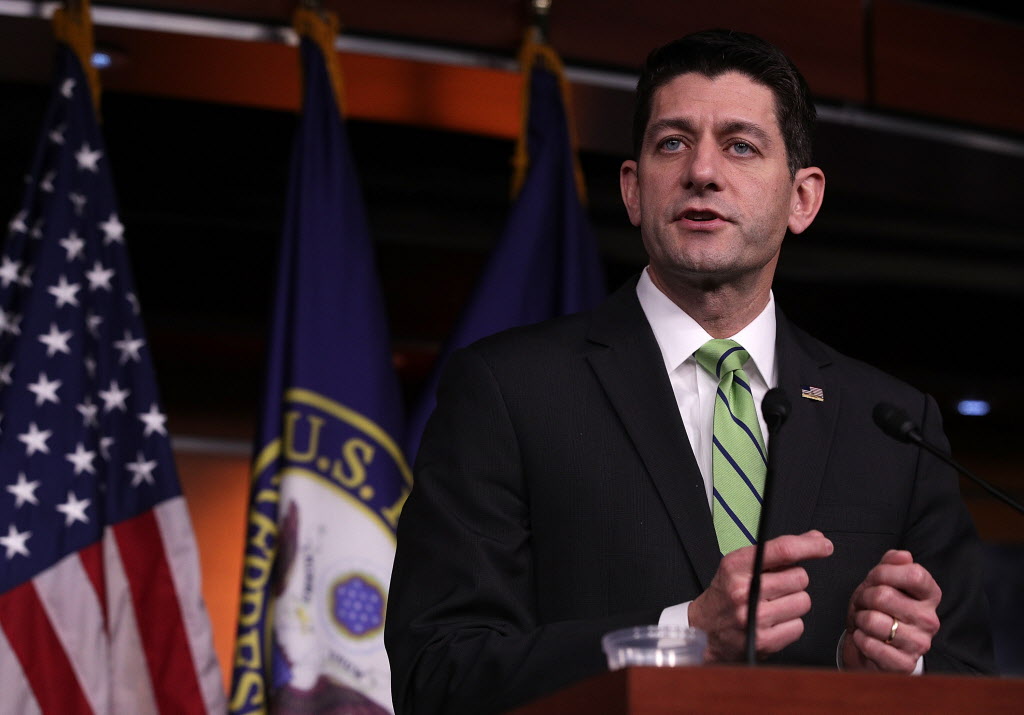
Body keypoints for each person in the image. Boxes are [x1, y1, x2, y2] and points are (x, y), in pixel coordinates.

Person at [385, 29, 994, 715]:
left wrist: (892, 668)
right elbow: (436, 673)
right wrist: (683, 634)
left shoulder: (893, 425)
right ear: (633, 188)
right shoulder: (507, 390)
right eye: (672, 143)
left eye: (741, 145)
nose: (702, 171)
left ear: (803, 198)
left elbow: (969, 679)